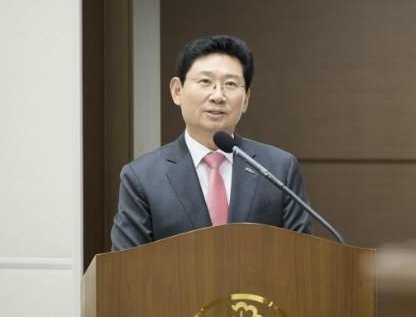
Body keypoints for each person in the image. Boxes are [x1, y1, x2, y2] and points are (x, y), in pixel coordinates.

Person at [111, 35, 312, 250]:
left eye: (230, 84)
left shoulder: (279, 169)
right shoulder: (142, 177)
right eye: (205, 82)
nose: (218, 96)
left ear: (246, 99)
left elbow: (301, 256)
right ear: (177, 91)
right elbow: (126, 266)